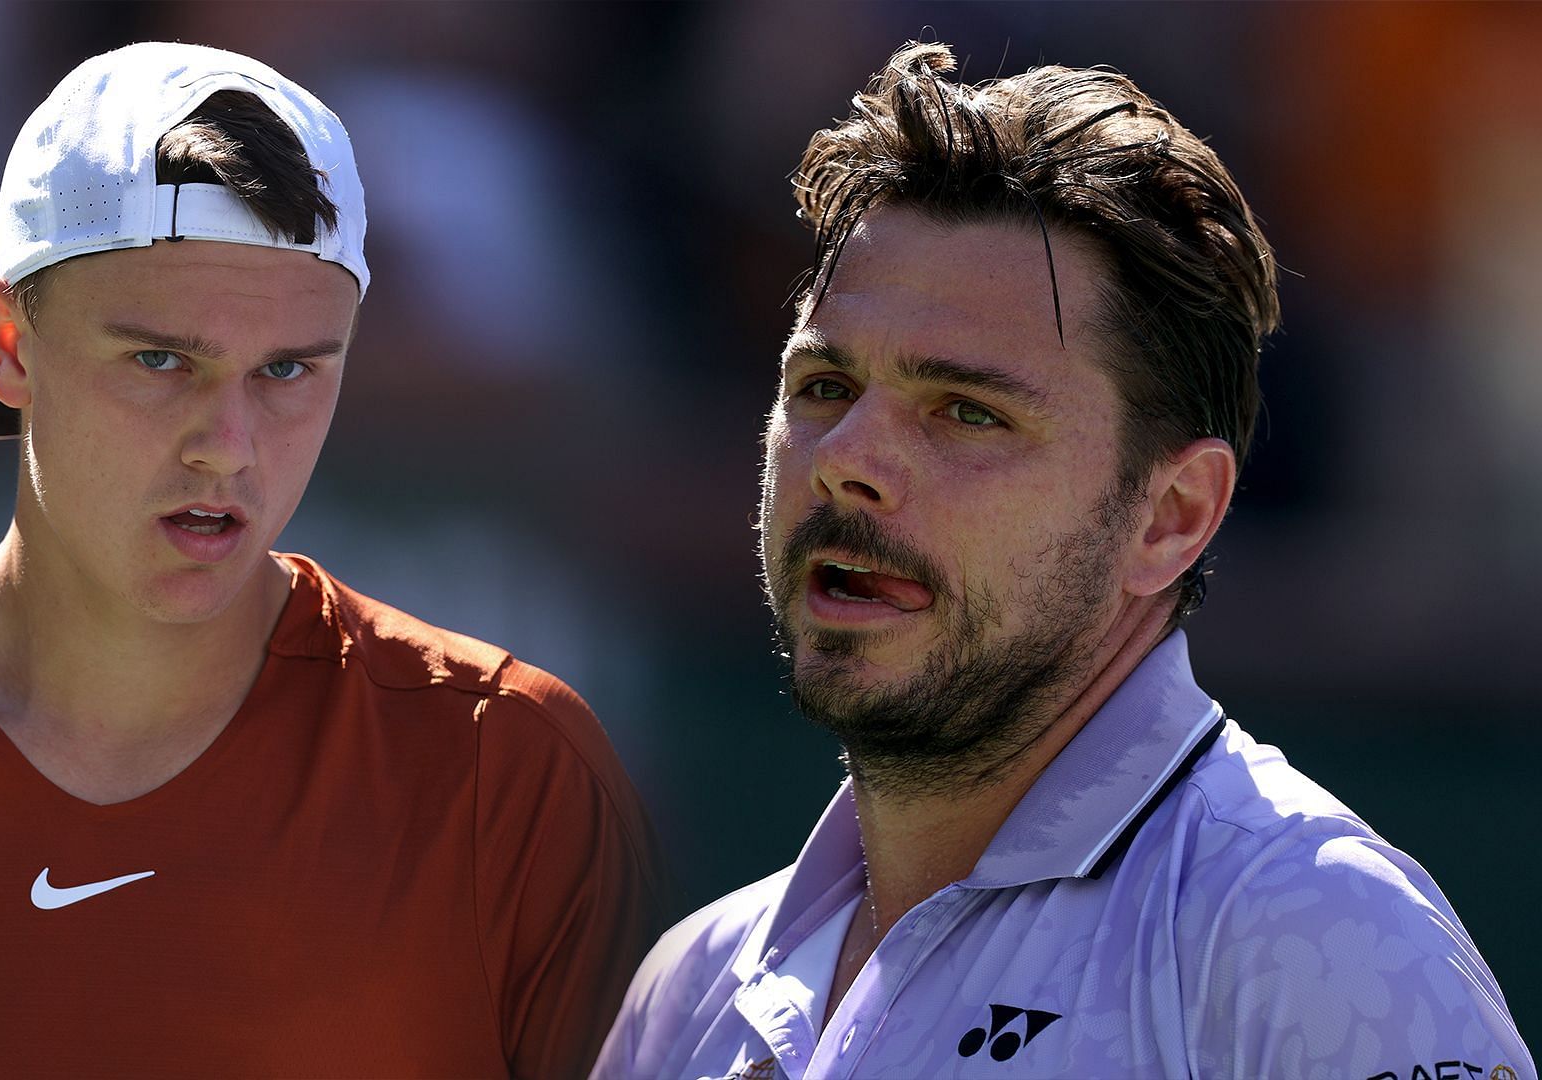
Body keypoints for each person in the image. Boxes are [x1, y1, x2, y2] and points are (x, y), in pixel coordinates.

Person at [0, 42, 662, 1079]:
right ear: (9, 344)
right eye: (161, 360)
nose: (230, 443)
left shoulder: (512, 775)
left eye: (290, 369)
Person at [593, 41, 1532, 1080]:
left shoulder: (1311, 935)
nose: (849, 461)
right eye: (823, 388)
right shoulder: (688, 992)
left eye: (966, 412)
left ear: (1173, 518)